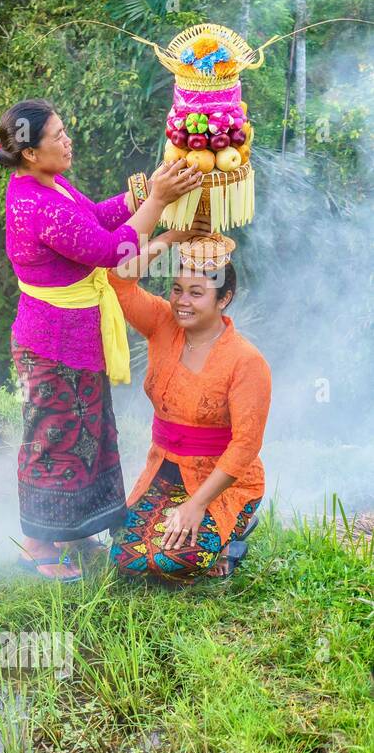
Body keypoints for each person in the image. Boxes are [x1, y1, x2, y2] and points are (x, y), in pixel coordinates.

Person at [0, 98, 203, 581]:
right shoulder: (34, 203)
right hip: (49, 343)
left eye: (65, 132)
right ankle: (36, 545)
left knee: (88, 436)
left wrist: (151, 191)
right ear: (29, 153)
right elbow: (110, 251)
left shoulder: (52, 184)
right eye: (58, 137)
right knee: (53, 437)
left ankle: (75, 530)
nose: (68, 142)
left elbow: (98, 217)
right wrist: (158, 202)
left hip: (76, 338)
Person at [106, 235, 269, 581]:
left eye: (196, 293)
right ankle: (200, 530)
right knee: (126, 559)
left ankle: (232, 537)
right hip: (165, 471)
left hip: (222, 482)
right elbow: (118, 279)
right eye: (177, 289)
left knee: (174, 561)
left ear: (224, 298)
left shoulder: (246, 361)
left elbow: (246, 446)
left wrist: (196, 505)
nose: (182, 301)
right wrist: (172, 237)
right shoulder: (162, 322)